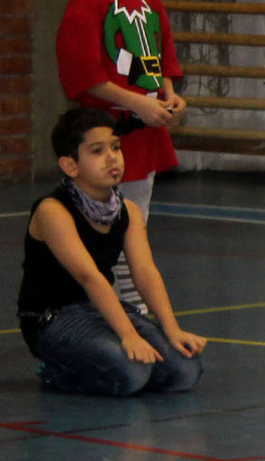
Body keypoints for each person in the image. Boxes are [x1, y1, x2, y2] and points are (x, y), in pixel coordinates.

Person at [57, 0, 187, 312]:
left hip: (143, 136)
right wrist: (136, 104)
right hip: (105, 139)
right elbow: (86, 76)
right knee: (105, 230)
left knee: (135, 224)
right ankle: (114, 314)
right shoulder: (87, 0)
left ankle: (134, 312)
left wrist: (168, 95)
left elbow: (161, 59)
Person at [17, 108, 205, 396]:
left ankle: (100, 359)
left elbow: (145, 272)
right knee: (131, 373)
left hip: (98, 310)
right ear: (70, 165)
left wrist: (172, 329)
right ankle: (58, 372)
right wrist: (128, 335)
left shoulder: (127, 210)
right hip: (54, 319)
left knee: (184, 371)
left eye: (115, 147)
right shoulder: (53, 211)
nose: (112, 158)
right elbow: (89, 277)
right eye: (97, 151)